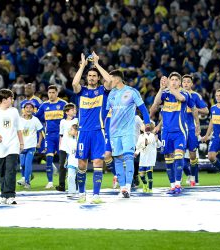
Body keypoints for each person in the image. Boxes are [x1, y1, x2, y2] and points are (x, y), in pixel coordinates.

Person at [71, 52, 112, 203]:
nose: (92, 78)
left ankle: (96, 195)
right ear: (87, 78)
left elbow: (109, 80)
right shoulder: (81, 91)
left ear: (97, 78)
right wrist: (82, 66)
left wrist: (97, 64)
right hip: (83, 132)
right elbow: (74, 84)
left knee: (97, 162)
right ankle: (82, 194)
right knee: (81, 164)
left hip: (98, 132)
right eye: (90, 76)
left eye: (94, 76)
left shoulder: (102, 90)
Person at [106, 70, 151, 198]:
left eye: (111, 78)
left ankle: (128, 186)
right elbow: (105, 114)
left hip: (128, 131)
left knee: (128, 157)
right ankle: (123, 188)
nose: (109, 81)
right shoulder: (111, 94)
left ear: (118, 79)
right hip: (114, 132)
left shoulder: (132, 92)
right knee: (118, 159)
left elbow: (142, 108)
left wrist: (147, 123)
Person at [152, 72, 190, 195]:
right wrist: (161, 89)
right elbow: (156, 104)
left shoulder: (184, 93)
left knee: (178, 156)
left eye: (175, 80)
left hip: (179, 131)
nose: (173, 81)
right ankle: (172, 185)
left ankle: (178, 184)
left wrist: (169, 87)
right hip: (166, 132)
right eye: (171, 79)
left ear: (179, 82)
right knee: (168, 159)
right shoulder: (165, 94)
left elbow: (181, 99)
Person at [0, 89, 24, 205]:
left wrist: (21, 143)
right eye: (10, 98)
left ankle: (10, 195)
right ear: (4, 100)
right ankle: (4, 194)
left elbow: (18, 128)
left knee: (11, 170)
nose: (12, 100)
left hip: (12, 145)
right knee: (2, 172)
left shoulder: (14, 111)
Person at [35, 85, 67, 189]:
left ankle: (65, 178)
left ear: (57, 93)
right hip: (49, 136)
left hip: (62, 136)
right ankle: (50, 182)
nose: (51, 94)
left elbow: (71, 117)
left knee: (63, 160)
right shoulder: (44, 105)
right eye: (49, 93)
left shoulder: (63, 104)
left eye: (53, 92)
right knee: (49, 158)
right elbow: (36, 117)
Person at [181, 74, 209, 186]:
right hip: (180, 129)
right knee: (177, 155)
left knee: (193, 156)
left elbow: (206, 111)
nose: (186, 83)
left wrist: (194, 109)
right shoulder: (177, 95)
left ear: (192, 84)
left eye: (188, 82)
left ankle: (194, 179)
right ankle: (188, 175)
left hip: (192, 129)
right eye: (184, 82)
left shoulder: (195, 96)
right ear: (181, 83)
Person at [17, 101, 43, 189]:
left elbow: (41, 132)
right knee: (22, 164)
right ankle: (28, 176)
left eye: (30, 108)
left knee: (28, 164)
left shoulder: (35, 120)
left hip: (31, 146)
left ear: (33, 109)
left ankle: (27, 182)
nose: (28, 109)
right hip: (21, 146)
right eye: (26, 108)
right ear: (23, 109)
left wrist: (39, 143)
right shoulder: (19, 120)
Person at [134, 123, 161, 193]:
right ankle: (145, 184)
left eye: (149, 125)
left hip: (150, 158)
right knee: (141, 175)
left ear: (152, 127)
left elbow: (159, 145)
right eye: (146, 125)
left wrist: (157, 140)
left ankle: (150, 188)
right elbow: (138, 146)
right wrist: (136, 153)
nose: (147, 126)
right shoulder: (141, 136)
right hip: (143, 157)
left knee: (149, 173)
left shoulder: (154, 136)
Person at [56, 103, 78, 192]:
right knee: (62, 165)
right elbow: (61, 134)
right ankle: (62, 185)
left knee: (74, 165)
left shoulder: (76, 120)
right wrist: (60, 145)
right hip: (64, 146)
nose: (74, 111)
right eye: (72, 110)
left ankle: (75, 185)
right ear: (67, 112)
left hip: (73, 146)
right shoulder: (62, 122)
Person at [65, 124, 79, 198]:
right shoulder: (69, 140)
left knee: (81, 176)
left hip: (80, 161)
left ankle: (82, 191)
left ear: (76, 131)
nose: (70, 131)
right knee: (70, 176)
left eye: (72, 129)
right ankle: (71, 191)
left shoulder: (81, 140)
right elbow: (68, 152)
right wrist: (66, 161)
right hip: (71, 161)